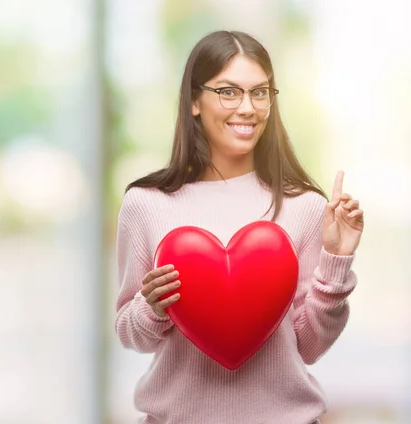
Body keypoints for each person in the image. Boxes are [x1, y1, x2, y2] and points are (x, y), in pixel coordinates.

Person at [114, 30, 364, 424]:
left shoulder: (305, 206)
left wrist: (337, 259)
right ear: (195, 101)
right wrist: (152, 307)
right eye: (228, 92)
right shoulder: (145, 204)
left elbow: (309, 346)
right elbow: (130, 334)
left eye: (260, 92)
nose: (248, 107)